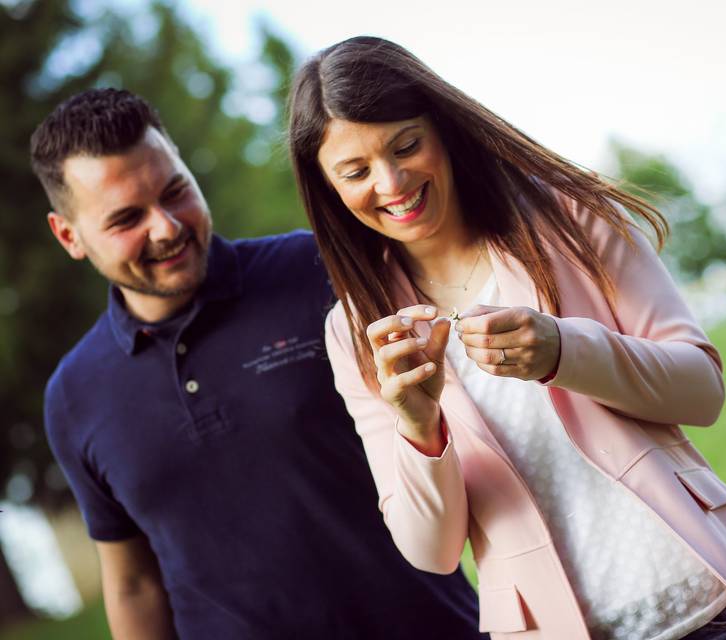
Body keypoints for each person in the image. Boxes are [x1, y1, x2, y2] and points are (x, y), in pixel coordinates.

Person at [288, 36, 726, 640]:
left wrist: (564, 353)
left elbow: (702, 391)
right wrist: (418, 428)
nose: (391, 182)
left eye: (406, 145)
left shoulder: (571, 218)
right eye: (355, 172)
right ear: (327, 188)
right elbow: (429, 551)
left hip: (715, 609)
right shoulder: (355, 331)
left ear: (442, 129)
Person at [32, 88, 485, 640]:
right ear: (68, 236)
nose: (167, 227)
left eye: (175, 191)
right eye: (127, 218)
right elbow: (133, 585)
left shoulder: (316, 271)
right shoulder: (74, 396)